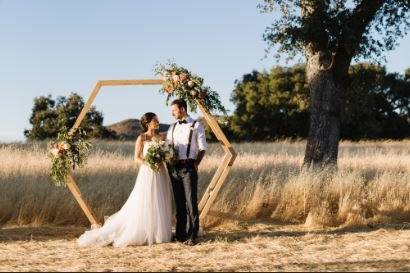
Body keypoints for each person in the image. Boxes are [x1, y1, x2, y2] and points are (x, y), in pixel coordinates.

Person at [77, 112, 173, 247]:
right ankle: (143, 231)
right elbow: (136, 158)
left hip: (161, 172)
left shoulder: (161, 137)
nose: (157, 122)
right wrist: (149, 163)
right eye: (154, 120)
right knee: (146, 200)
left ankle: (158, 233)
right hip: (148, 172)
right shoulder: (142, 138)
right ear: (147, 123)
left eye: (157, 119)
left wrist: (163, 159)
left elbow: (167, 152)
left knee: (160, 199)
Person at [166, 99, 207, 246]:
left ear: (182, 109)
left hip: (189, 166)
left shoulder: (197, 125)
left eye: (174, 110)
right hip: (174, 168)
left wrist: (196, 163)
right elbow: (168, 147)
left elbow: (202, 148)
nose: (172, 113)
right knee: (179, 203)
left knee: (191, 202)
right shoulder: (171, 128)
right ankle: (180, 234)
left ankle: (193, 234)